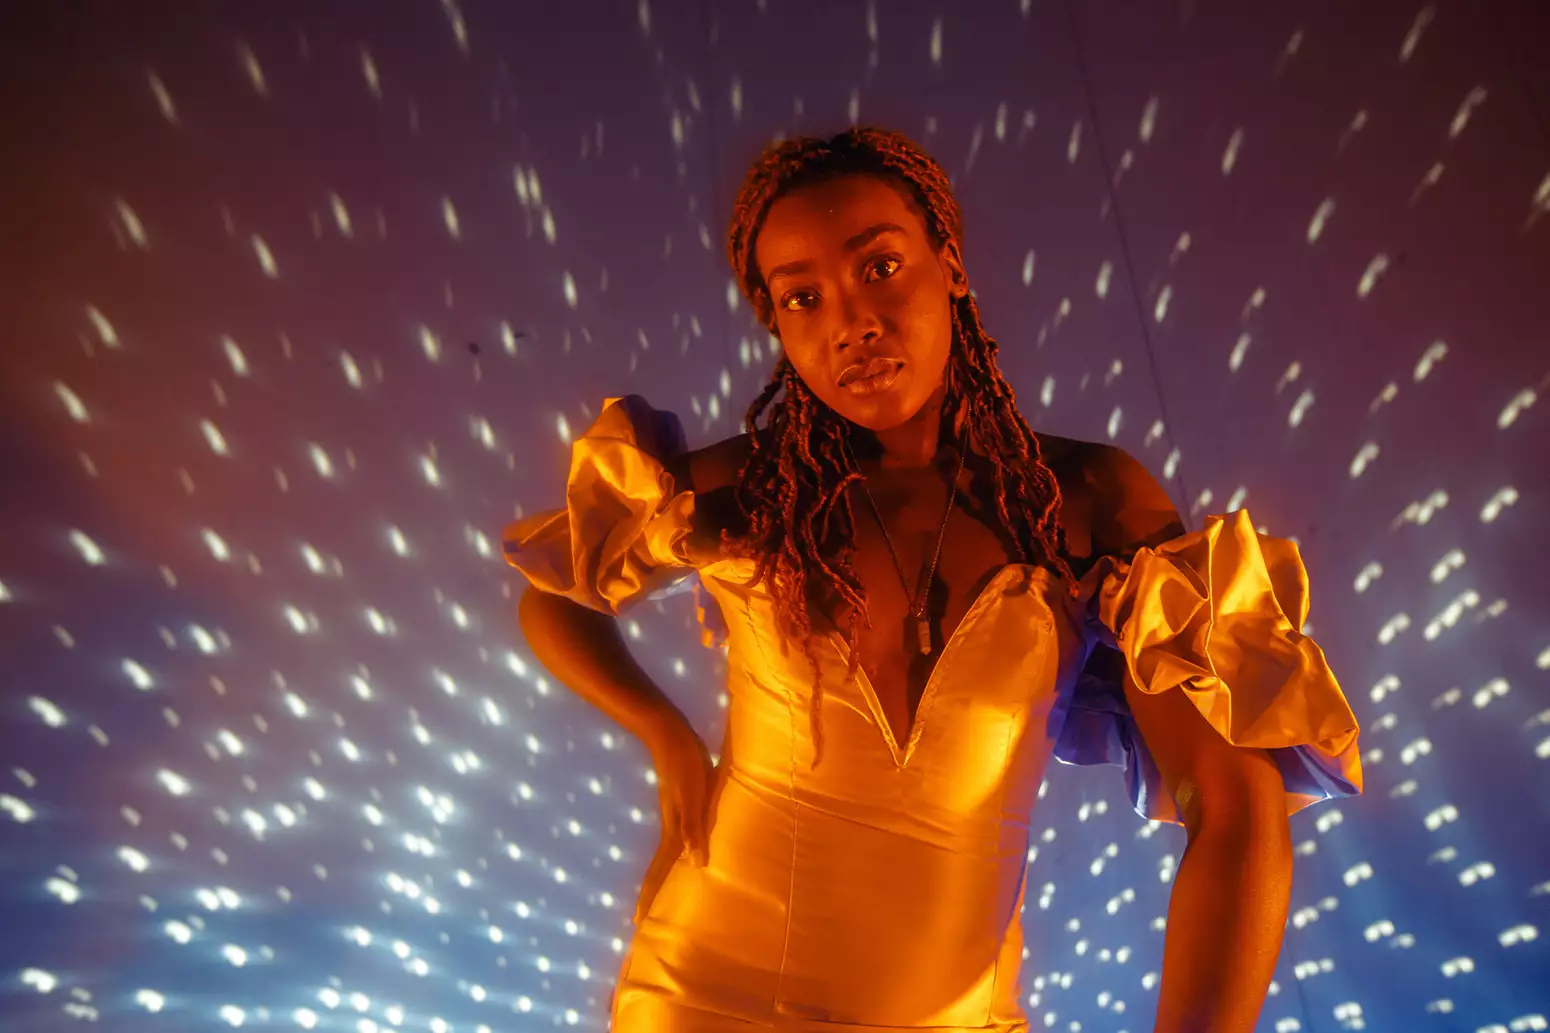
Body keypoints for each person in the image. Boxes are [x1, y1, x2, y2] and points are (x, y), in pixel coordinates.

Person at [506, 127, 1363, 1033]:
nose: (851, 322)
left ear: (949, 264)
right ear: (780, 328)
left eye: (878, 267)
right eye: (803, 297)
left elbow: (1234, 808)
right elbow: (552, 593)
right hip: (702, 993)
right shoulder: (746, 492)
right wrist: (665, 735)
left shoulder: (1083, 504)